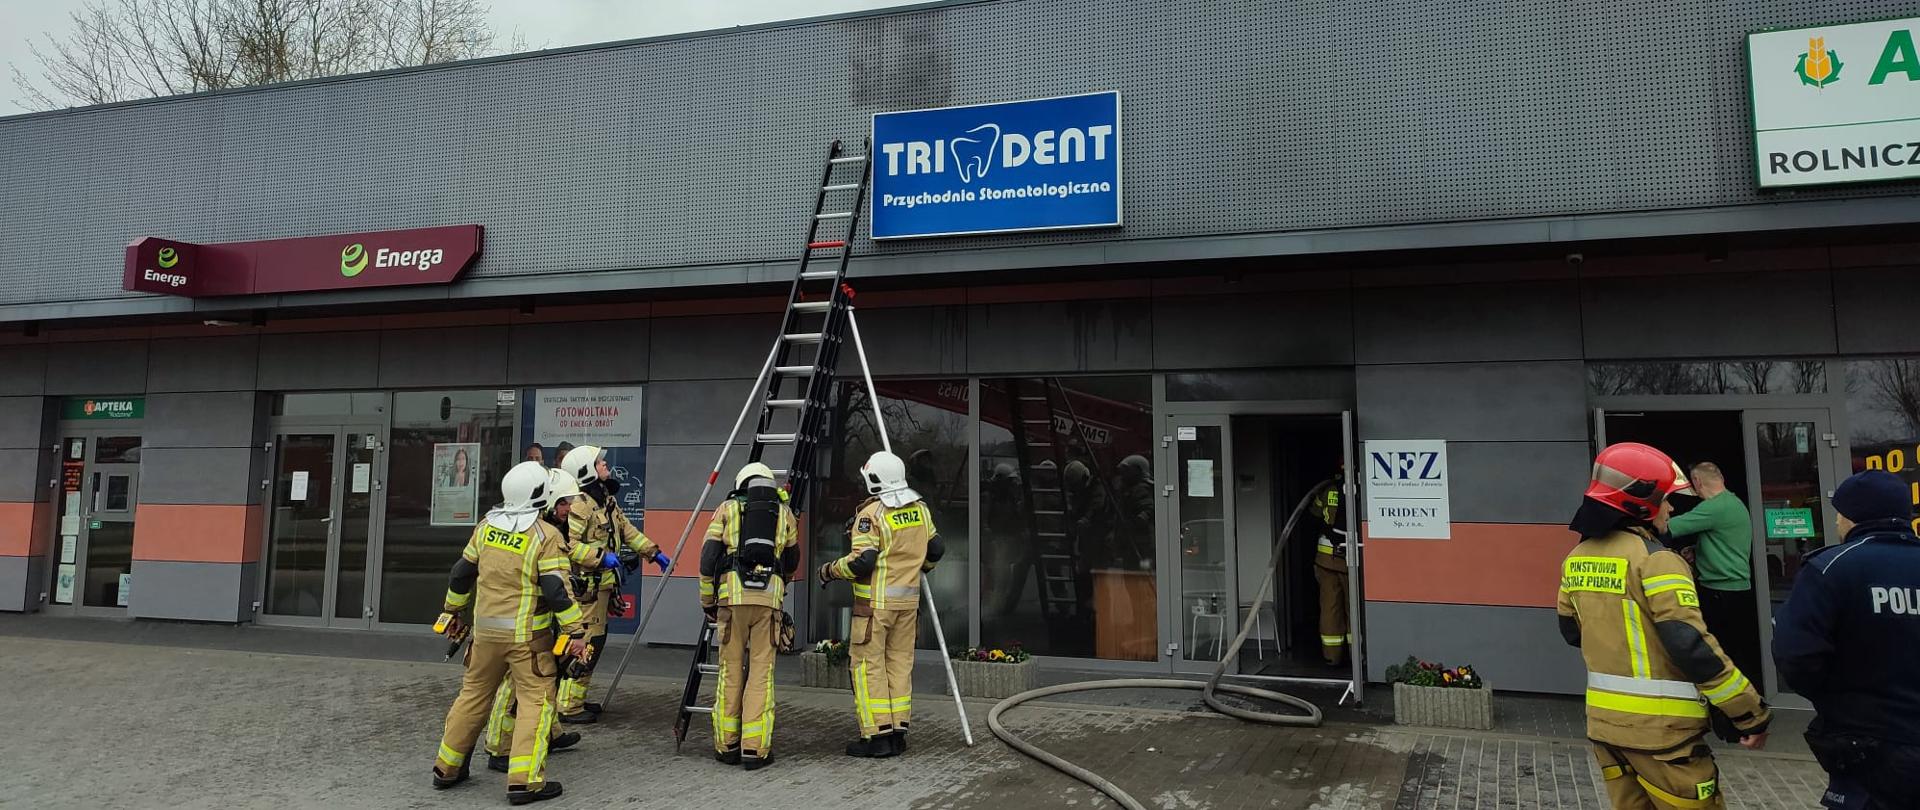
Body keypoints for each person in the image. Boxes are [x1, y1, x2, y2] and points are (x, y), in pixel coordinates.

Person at [1558, 443, 1770, 810]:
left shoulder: (1576, 557)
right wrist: (1748, 712)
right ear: (1640, 503)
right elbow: (1690, 646)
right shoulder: (1658, 562)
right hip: (1664, 736)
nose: (1671, 508)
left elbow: (1571, 632)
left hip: (1606, 730)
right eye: (1666, 500)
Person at [429, 460, 591, 805]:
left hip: (485, 637)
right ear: (540, 495)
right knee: (536, 702)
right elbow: (557, 592)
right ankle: (525, 782)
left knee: (472, 697)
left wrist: (451, 611)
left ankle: (447, 768)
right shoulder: (546, 537)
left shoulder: (486, 528)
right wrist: (577, 632)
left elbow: (461, 574)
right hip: (528, 640)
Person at [1773, 470, 1920, 809]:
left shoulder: (1832, 568)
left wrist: (1834, 698)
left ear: (1852, 516)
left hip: (1866, 750)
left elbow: (1795, 656)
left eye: (1839, 512)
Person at [817, 450, 946, 758]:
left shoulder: (872, 514)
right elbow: (936, 549)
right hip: (908, 605)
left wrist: (830, 570)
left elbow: (863, 561)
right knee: (900, 666)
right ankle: (898, 732)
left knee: (867, 667)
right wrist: (919, 569)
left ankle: (877, 737)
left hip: (874, 607)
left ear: (875, 479)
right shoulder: (920, 509)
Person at [481, 468, 608, 774]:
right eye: (563, 502)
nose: (568, 508)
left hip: (541, 620)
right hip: (527, 626)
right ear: (550, 501)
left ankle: (551, 734)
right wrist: (574, 628)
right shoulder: (538, 530)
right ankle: (499, 746)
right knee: (515, 688)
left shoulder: (550, 526)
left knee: (548, 679)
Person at [556, 444, 668, 723]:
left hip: (602, 587)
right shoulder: (580, 505)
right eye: (600, 463)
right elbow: (568, 547)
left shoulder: (605, 499)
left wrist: (653, 552)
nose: (605, 465)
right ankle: (568, 706)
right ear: (587, 470)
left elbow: (627, 529)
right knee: (585, 643)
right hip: (587, 589)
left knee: (595, 641)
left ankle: (575, 699)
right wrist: (600, 557)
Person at [698, 462, 801, 770]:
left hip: (731, 600)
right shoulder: (785, 514)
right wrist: (778, 591)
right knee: (761, 675)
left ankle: (726, 745)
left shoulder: (726, 509)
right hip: (768, 602)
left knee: (730, 671)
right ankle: (755, 750)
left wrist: (708, 601)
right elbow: (793, 560)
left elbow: (708, 560)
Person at [1663, 462, 1761, 685]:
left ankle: (1726, 708)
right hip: (1736, 590)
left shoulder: (1714, 508)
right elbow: (1727, 543)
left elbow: (1668, 528)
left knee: (1717, 655)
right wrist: (1697, 550)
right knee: (1735, 652)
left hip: (1720, 592)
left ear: (1696, 482)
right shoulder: (1732, 503)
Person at [1311, 465, 1350, 667]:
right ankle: (1357, 656)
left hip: (1326, 559)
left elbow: (1315, 512)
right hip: (1352, 560)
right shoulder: (1359, 488)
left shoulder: (1328, 489)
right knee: (1354, 610)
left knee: (1330, 608)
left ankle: (1332, 656)